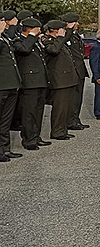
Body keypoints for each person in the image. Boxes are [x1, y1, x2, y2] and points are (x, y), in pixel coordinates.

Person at [13, 18, 52, 151]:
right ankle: (28, 139)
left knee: (38, 111)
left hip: (40, 81)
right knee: (28, 113)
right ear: (30, 29)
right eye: (37, 29)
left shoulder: (34, 42)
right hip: (29, 83)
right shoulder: (18, 41)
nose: (40, 31)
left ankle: (36, 136)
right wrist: (30, 36)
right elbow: (24, 50)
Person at [43, 20, 80, 139]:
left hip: (67, 79)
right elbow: (53, 50)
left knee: (66, 108)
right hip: (59, 81)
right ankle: (57, 131)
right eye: (62, 29)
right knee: (60, 108)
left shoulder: (60, 42)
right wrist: (59, 37)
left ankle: (62, 129)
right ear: (56, 30)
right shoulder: (48, 40)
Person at [61, 13, 90, 131]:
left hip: (80, 70)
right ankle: (70, 121)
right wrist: (67, 29)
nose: (77, 24)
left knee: (78, 98)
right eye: (75, 22)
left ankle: (75, 119)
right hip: (73, 70)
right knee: (72, 99)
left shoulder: (75, 35)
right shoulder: (65, 35)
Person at [0, 12, 23, 161]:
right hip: (1, 85)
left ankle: (5, 148)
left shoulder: (5, 38)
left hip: (10, 84)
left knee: (5, 120)